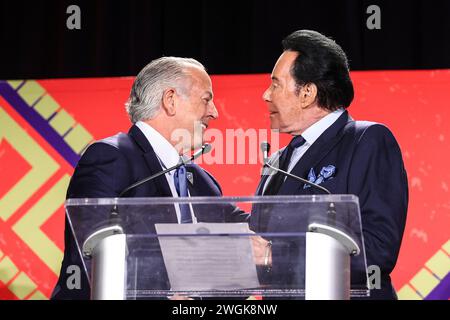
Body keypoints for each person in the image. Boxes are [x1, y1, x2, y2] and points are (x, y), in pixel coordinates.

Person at [52, 57, 244, 299]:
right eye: (206, 99)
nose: (214, 112)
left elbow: (255, 231)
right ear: (171, 100)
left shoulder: (202, 181)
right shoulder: (111, 157)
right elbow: (92, 256)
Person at [250, 30, 408, 299]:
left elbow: (376, 251)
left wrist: (275, 256)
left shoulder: (366, 141)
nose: (266, 95)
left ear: (307, 93)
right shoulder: (277, 162)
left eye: (275, 84)